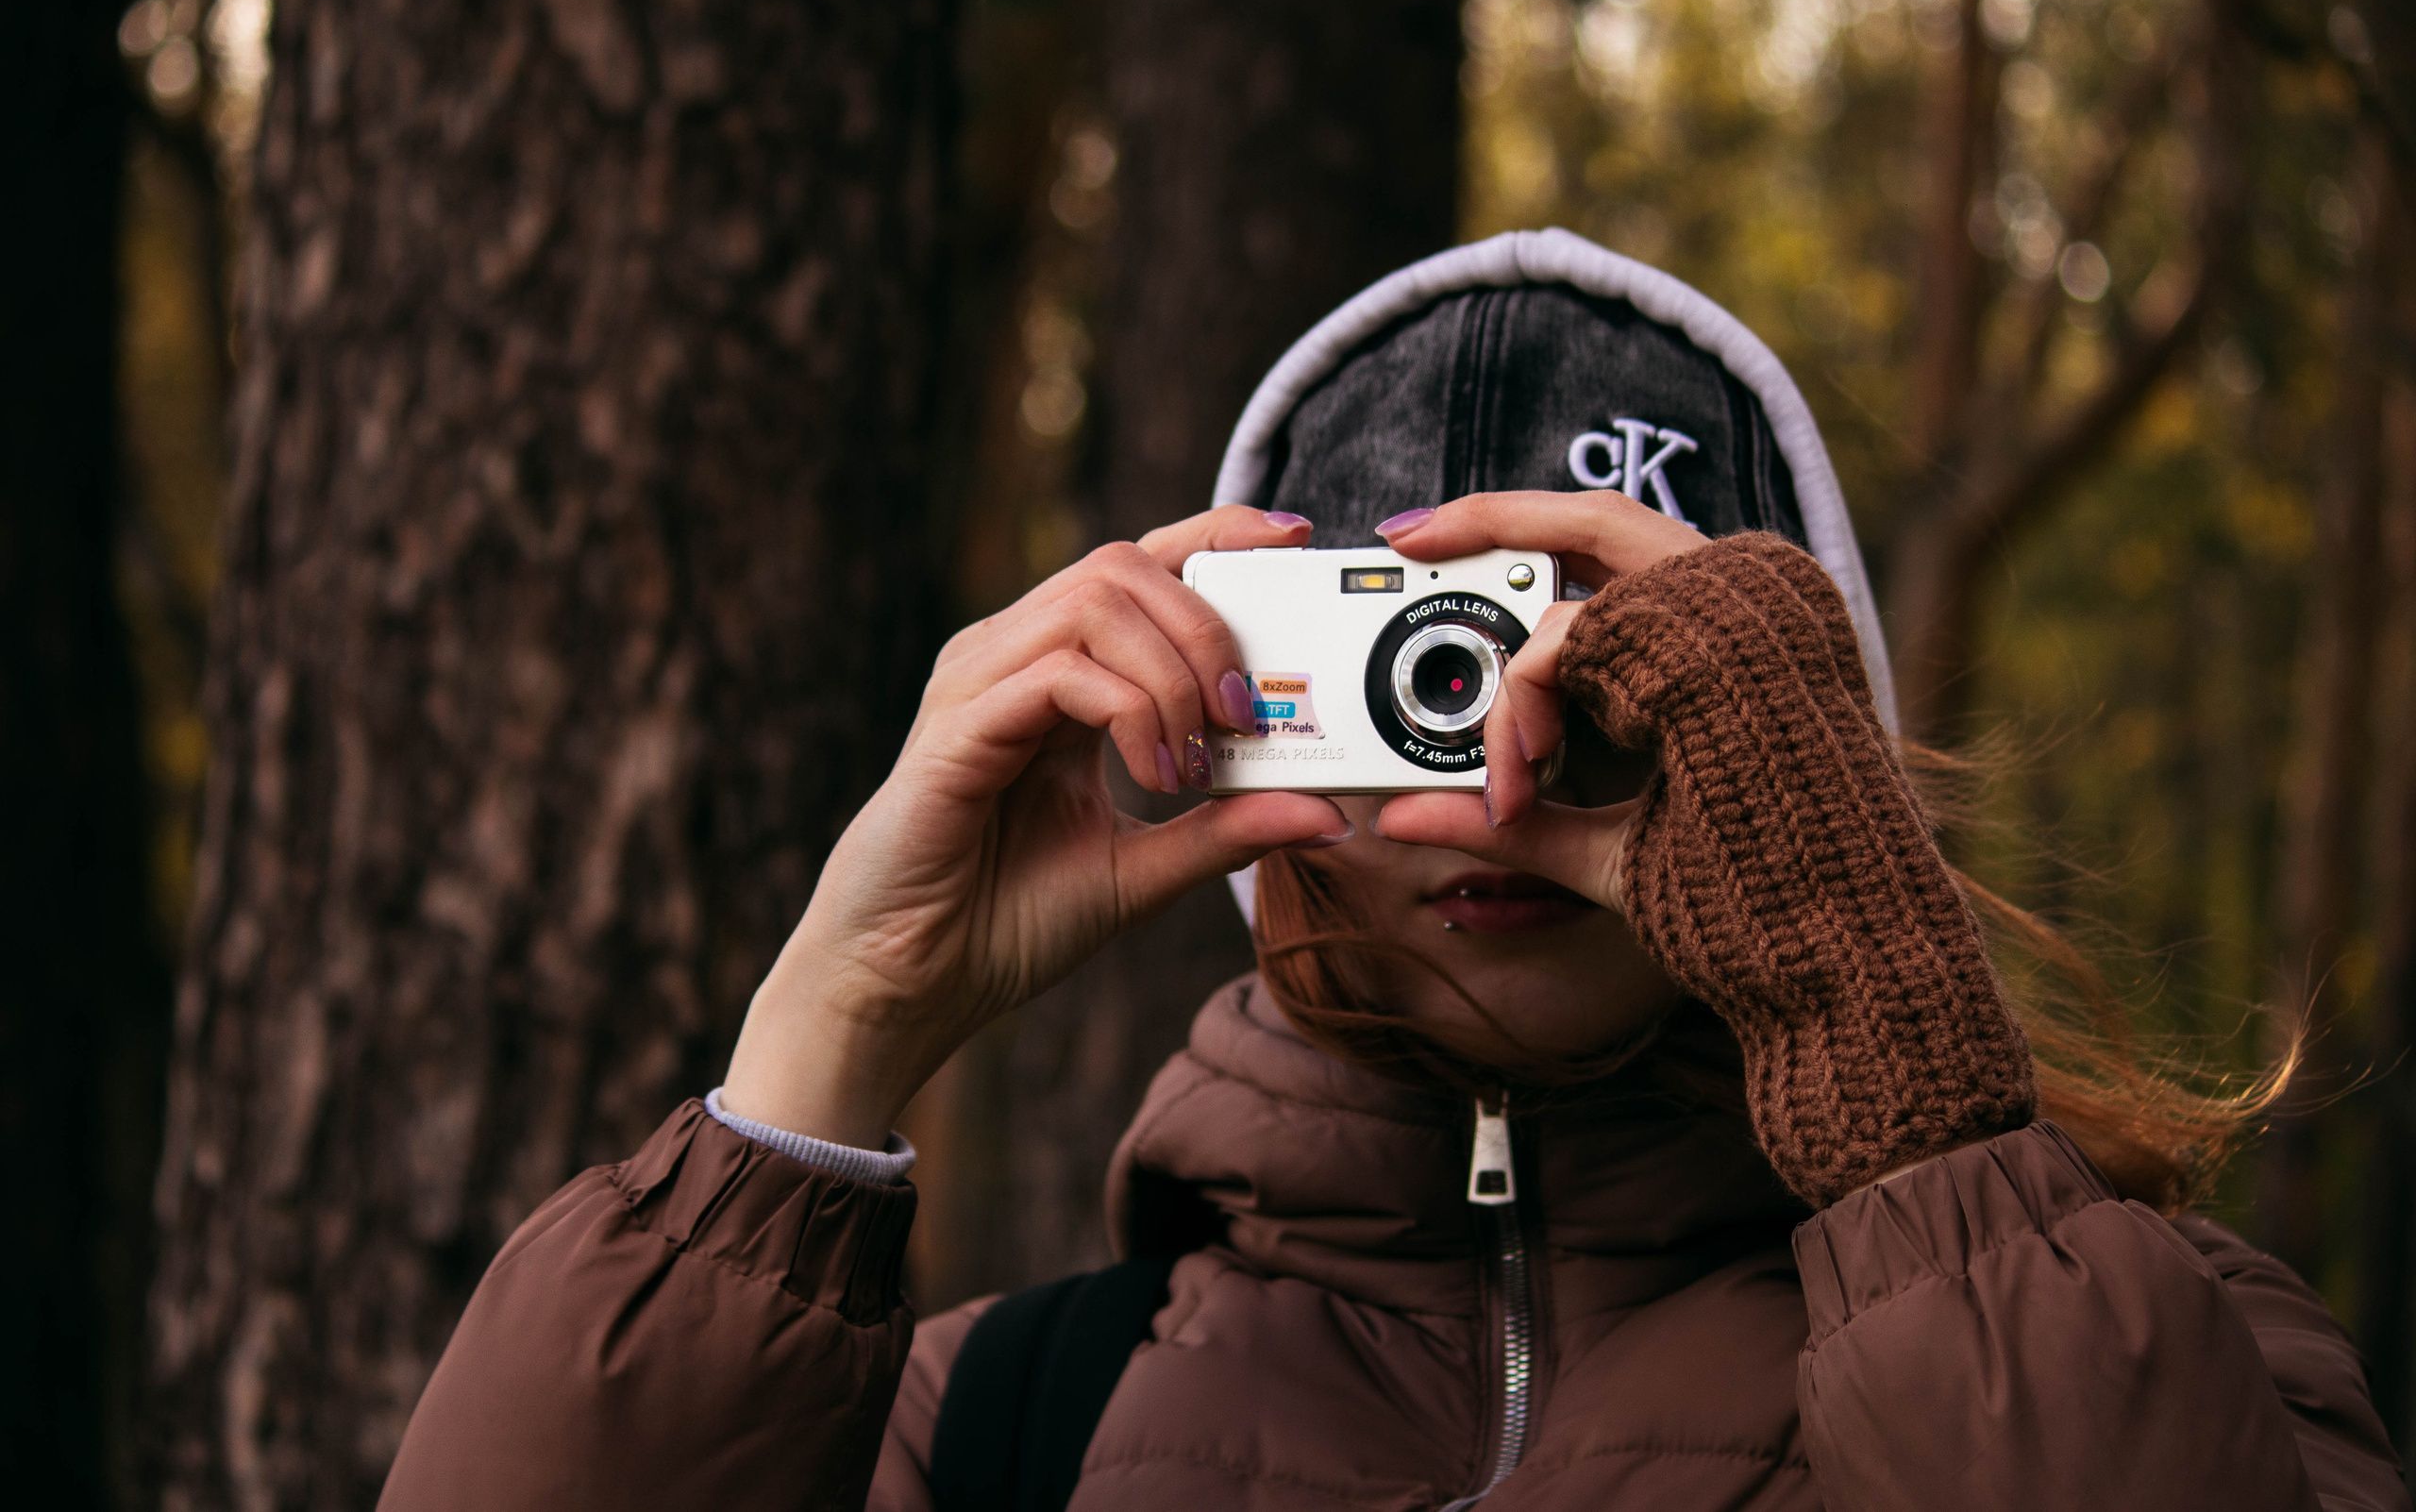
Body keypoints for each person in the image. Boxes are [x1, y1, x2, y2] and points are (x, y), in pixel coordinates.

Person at [377, 232, 2406, 1511]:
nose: (1500, 762)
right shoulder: (996, 1420)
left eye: (1605, 691)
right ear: (1225, 709)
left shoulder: (2162, 1340)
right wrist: (822, 1045)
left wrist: (1875, 1038)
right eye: (1388, 679)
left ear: (1814, 766)